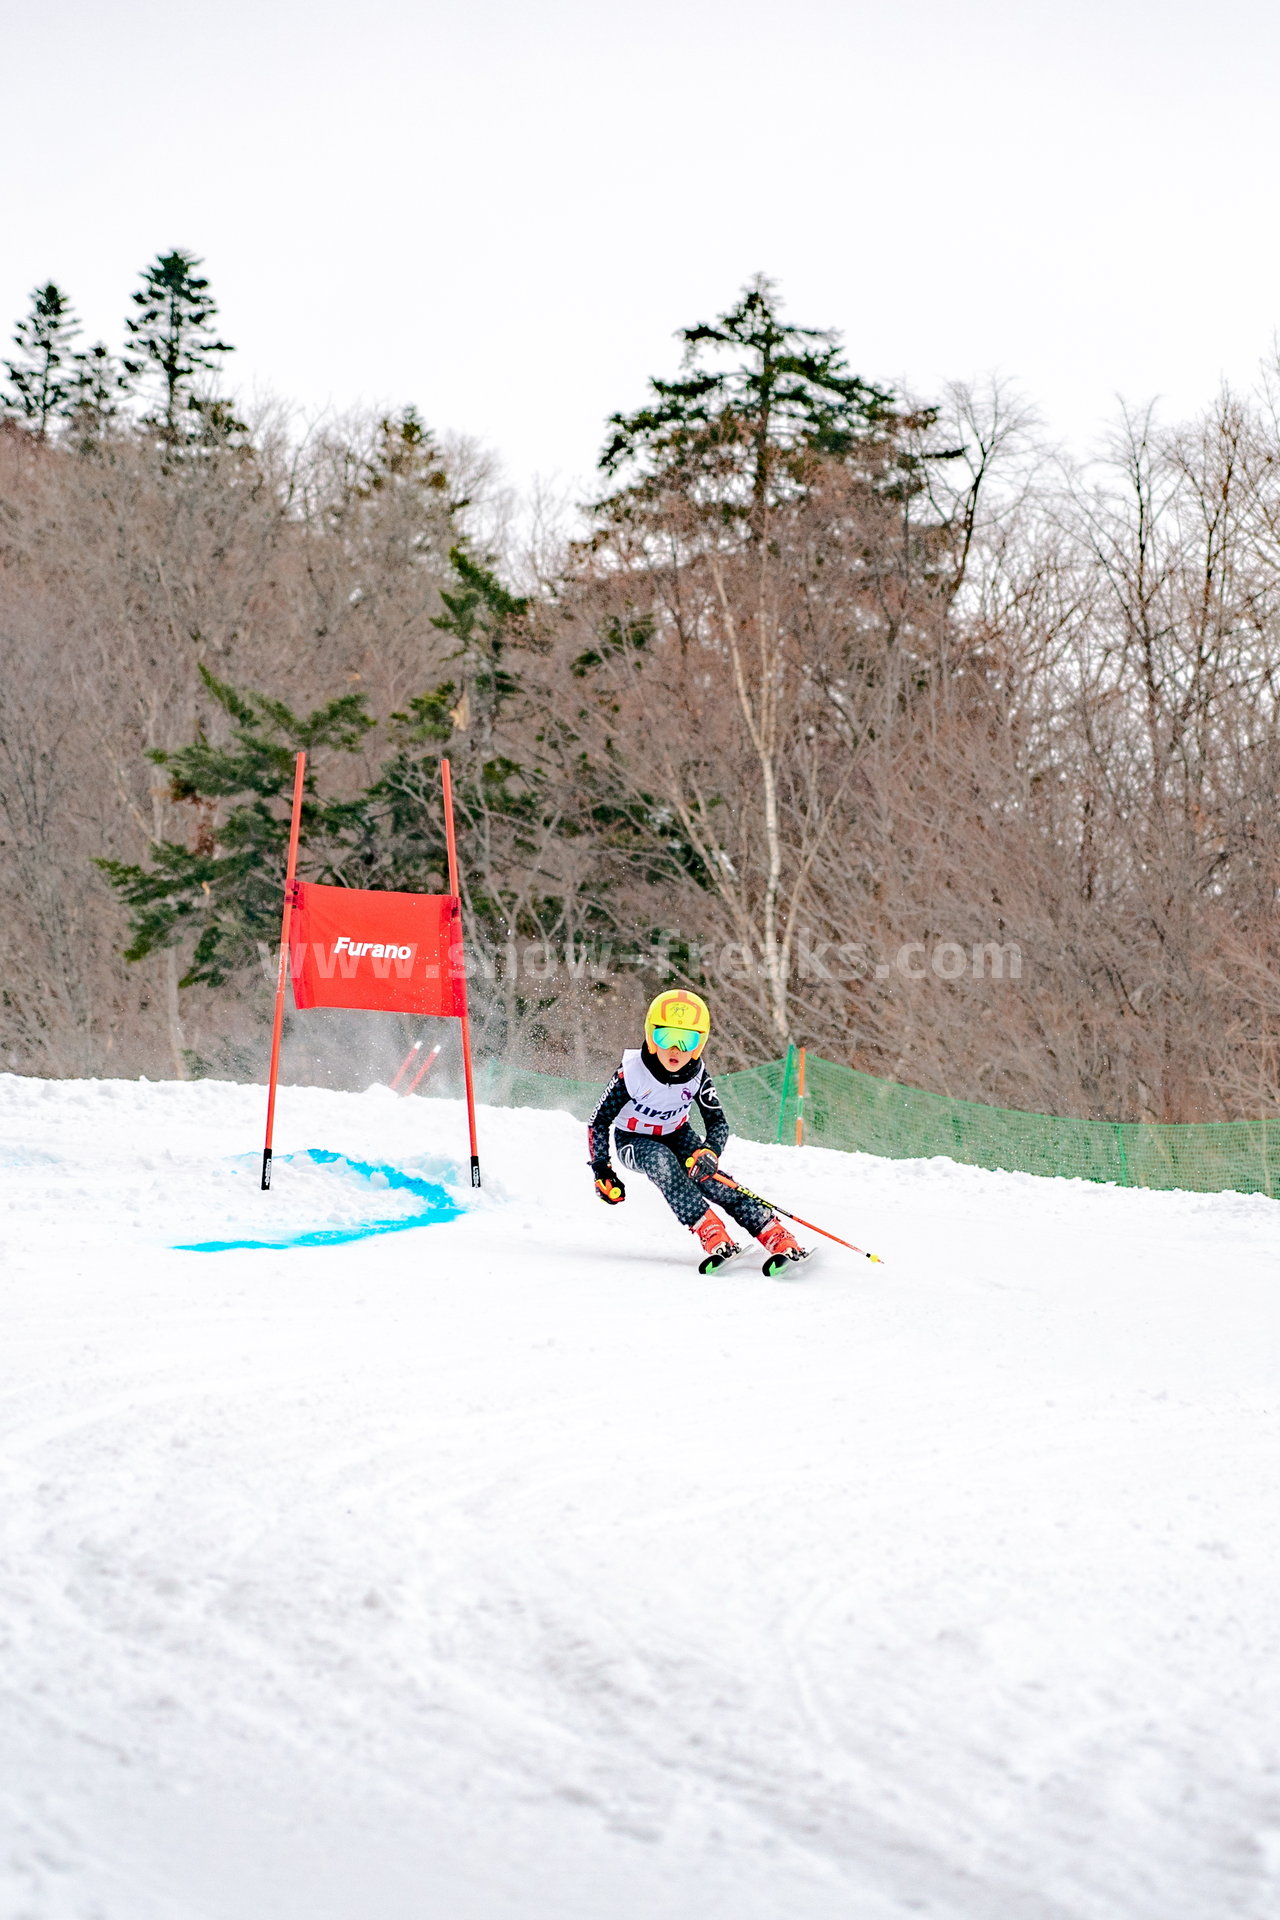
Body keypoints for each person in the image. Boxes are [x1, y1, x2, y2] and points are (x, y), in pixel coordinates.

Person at [586, 988, 808, 1272]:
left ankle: (775, 1235)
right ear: (652, 1037)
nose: (676, 1049)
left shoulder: (697, 1074)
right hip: (633, 1140)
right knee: (661, 1161)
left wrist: (710, 1152)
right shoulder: (631, 1073)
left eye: (687, 1039)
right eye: (666, 1037)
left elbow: (717, 1122)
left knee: (712, 1179)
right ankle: (711, 1232)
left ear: (699, 1043)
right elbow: (599, 1121)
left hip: (677, 1133)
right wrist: (602, 1170)